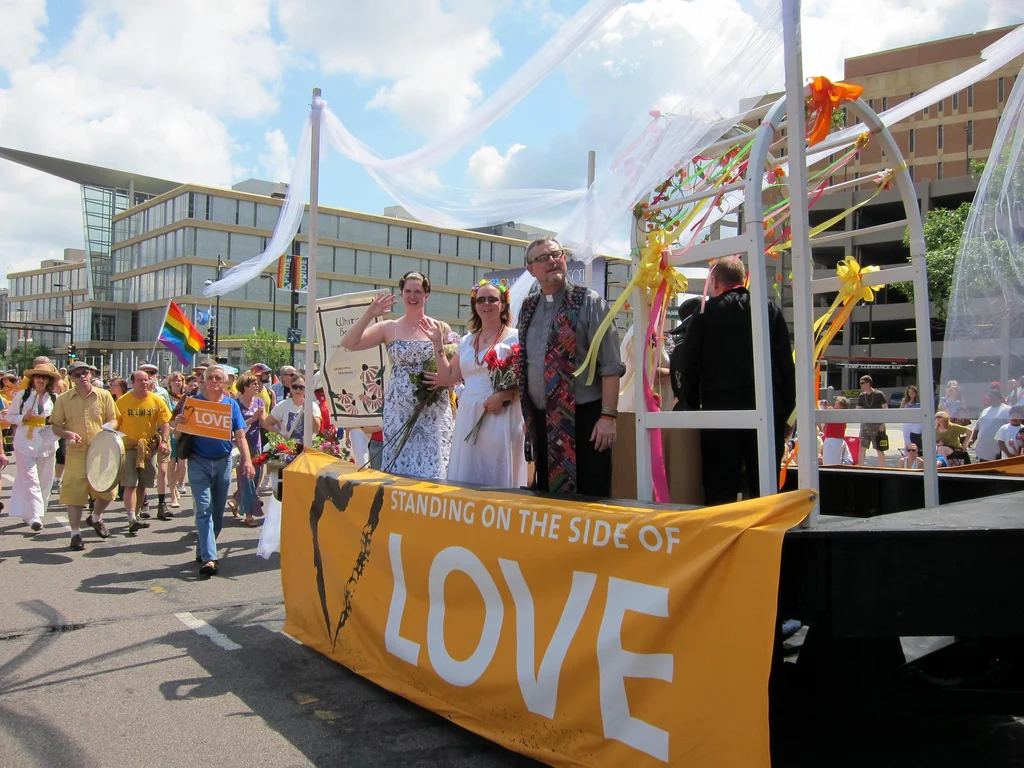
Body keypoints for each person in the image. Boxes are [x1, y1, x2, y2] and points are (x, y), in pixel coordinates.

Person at [679, 256, 795, 504]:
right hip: (765, 407)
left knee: (720, 488)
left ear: (716, 281)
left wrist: (690, 405)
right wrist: (785, 413)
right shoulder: (769, 310)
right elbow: (786, 365)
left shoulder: (704, 314)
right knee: (764, 487)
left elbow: (690, 365)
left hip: (720, 411)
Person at [517, 239, 624, 496]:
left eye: (556, 254)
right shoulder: (529, 307)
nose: (551, 261)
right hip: (543, 423)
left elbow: (610, 364)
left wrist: (608, 417)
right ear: (531, 269)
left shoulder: (589, 301)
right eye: (542, 258)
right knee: (548, 500)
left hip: (585, 422)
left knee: (588, 500)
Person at [341, 271, 455, 480]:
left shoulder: (440, 327)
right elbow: (349, 343)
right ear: (401, 294)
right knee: (399, 469)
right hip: (398, 410)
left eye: (418, 292)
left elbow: (449, 372)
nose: (413, 296)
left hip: (433, 409)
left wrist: (438, 343)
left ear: (426, 295)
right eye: (408, 291)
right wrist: (369, 313)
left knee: (434, 467)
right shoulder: (389, 327)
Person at [428, 280, 526, 488]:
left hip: (501, 415)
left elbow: (528, 380)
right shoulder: (466, 341)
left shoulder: (516, 338)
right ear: (475, 305)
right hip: (468, 416)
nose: (486, 304)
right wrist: (438, 343)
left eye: (492, 299)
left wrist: (505, 395)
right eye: (481, 300)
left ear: (503, 304)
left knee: (496, 473)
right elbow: (448, 377)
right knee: (467, 474)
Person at [171, 365, 254, 577]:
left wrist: (248, 461)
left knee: (217, 513)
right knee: (204, 508)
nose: (214, 381)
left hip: (223, 461)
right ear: (204, 381)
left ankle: (203, 549)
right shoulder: (194, 404)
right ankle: (210, 558)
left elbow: (240, 436)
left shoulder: (231, 405)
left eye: (219, 378)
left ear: (225, 382)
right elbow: (178, 436)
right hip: (198, 461)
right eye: (210, 378)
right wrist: (179, 425)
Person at [49, 361, 119, 550]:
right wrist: (67, 434)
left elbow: (114, 419)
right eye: (77, 374)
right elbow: (55, 426)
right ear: (71, 378)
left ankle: (95, 517)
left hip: (100, 451)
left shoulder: (104, 395)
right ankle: (75, 534)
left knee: (109, 491)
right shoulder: (63, 399)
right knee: (75, 495)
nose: (83, 377)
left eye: (85, 373)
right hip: (76, 452)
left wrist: (107, 429)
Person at [4, 363, 61, 531]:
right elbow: (9, 417)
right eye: (37, 376)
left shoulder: (54, 398)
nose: (40, 379)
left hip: (47, 442)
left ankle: (31, 512)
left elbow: (60, 420)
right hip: (25, 443)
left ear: (49, 380)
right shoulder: (23, 395)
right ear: (32, 379)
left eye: (44, 377)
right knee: (31, 479)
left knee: (44, 480)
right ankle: (36, 516)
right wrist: (23, 417)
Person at [116, 370, 172, 531]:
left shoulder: (156, 400)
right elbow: (114, 422)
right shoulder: (122, 401)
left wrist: (164, 442)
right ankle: (131, 517)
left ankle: (138, 514)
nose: (144, 383)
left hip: (149, 448)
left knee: (143, 485)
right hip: (129, 447)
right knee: (130, 484)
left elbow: (165, 424)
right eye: (140, 380)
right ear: (132, 383)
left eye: (146, 380)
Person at [231, 371, 265, 527]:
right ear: (245, 387)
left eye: (257, 383)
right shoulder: (235, 404)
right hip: (240, 445)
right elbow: (235, 427)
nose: (257, 386)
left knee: (256, 477)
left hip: (256, 444)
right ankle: (249, 515)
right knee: (247, 479)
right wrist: (253, 418)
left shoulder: (259, 402)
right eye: (254, 384)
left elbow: (263, 423)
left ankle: (236, 500)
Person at [262, 374, 320, 440]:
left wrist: (309, 411)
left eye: (301, 387)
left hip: (308, 446)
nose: (298, 390)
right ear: (290, 387)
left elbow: (316, 429)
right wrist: (281, 437)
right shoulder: (283, 405)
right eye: (295, 386)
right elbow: (266, 424)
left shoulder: (313, 406)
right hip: (289, 447)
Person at [968, 386, 1010, 462]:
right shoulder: (985, 411)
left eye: (992, 397)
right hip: (982, 449)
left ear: (999, 398)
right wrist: (972, 439)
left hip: (997, 449)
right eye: (989, 397)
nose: (989, 399)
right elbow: (977, 427)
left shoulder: (1007, 410)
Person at [165, 371, 189, 507]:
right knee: (171, 464)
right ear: (169, 383)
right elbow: (165, 418)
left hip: (182, 436)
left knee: (182, 466)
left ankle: (175, 484)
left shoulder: (186, 398)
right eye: (174, 380)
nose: (176, 383)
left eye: (179, 380)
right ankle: (173, 495)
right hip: (170, 435)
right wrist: (172, 430)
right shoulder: (166, 397)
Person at [855, 375, 888, 467]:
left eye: (862, 383)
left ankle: (883, 468)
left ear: (868, 383)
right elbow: (858, 409)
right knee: (862, 447)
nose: (860, 385)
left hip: (877, 425)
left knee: (879, 449)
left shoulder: (879, 394)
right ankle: (861, 466)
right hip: (865, 425)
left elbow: (885, 409)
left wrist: (883, 423)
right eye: (860, 383)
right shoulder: (862, 396)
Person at [820, 396, 851, 466]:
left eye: (837, 402)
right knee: (833, 463)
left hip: (833, 441)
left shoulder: (838, 414)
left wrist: (821, 405)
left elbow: (823, 412)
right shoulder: (838, 413)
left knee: (830, 465)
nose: (835, 402)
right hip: (835, 441)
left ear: (841, 405)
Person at [899, 385, 923, 451]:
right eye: (909, 392)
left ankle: (917, 453)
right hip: (907, 422)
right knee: (907, 440)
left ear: (916, 392)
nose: (911, 393)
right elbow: (900, 411)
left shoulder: (919, 400)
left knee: (915, 439)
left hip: (917, 422)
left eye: (913, 392)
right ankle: (907, 455)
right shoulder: (904, 401)